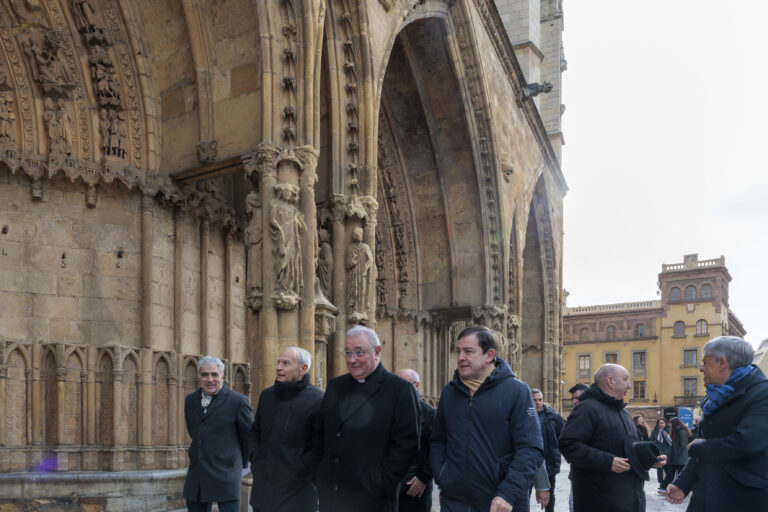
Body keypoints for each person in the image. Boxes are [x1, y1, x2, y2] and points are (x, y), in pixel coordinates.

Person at [430, 325, 543, 512]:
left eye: (468, 351)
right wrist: (443, 475)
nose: (460, 358)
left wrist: (508, 492)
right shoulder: (450, 392)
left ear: (489, 355)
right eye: (458, 351)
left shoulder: (516, 391)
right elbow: (438, 440)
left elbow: (530, 449)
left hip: (500, 502)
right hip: (455, 500)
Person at [313, 325, 420, 512]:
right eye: (347, 352)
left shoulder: (400, 390)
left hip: (372, 499)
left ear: (377, 351)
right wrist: (319, 472)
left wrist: (380, 482)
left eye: (359, 352)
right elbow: (320, 431)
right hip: (332, 495)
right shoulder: (335, 386)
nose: (352, 359)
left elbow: (407, 445)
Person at [667, 336, 768, 510]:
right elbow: (705, 449)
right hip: (705, 496)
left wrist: (700, 446)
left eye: (705, 363)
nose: (701, 368)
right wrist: (682, 483)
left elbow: (747, 442)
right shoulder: (715, 396)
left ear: (722, 363)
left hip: (741, 499)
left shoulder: (762, 393)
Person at [558, 364, 666, 512]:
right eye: (625, 380)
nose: (629, 385)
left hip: (628, 500)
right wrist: (607, 461)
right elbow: (568, 445)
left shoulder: (623, 412)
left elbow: (627, 449)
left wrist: (650, 459)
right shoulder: (586, 408)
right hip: (600, 502)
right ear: (610, 381)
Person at [248, 347, 323, 512]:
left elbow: (321, 445)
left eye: (286, 363)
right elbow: (255, 432)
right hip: (263, 492)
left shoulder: (317, 399)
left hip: (297, 494)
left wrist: (300, 467)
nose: (278, 367)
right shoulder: (267, 395)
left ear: (303, 369)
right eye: (278, 362)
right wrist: (256, 458)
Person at [183, 356, 253, 512]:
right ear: (199, 377)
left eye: (214, 374)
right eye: (205, 374)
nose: (210, 379)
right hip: (197, 474)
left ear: (222, 376)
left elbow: (249, 437)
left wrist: (241, 468)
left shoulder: (238, 401)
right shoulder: (190, 400)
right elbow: (194, 431)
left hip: (226, 474)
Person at [395, 369, 436, 512]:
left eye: (403, 385)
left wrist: (423, 478)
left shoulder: (429, 413)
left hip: (416, 488)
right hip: (391, 488)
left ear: (416, 385)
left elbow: (437, 449)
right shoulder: (389, 411)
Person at [531, 389, 564, 512]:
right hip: (530, 460)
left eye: (540, 399)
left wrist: (557, 451)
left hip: (549, 460)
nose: (538, 403)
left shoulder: (553, 416)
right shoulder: (523, 415)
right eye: (534, 400)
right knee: (525, 491)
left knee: (550, 491)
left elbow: (564, 436)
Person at [567, 383, 589, 512]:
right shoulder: (574, 416)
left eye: (578, 398)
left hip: (593, 473)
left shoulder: (595, 414)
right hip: (576, 472)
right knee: (573, 505)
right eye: (573, 398)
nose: (575, 401)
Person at [657, 417, 690, 494]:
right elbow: (673, 445)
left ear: (675, 423)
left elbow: (682, 445)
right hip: (674, 458)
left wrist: (677, 454)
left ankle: (685, 490)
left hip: (680, 458)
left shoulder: (682, 431)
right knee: (670, 474)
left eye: (671, 423)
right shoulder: (676, 431)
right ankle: (663, 487)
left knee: (681, 475)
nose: (669, 425)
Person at [650, 418, 672, 486]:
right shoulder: (655, 431)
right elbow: (650, 441)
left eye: (663, 423)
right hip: (658, 452)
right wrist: (654, 444)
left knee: (668, 468)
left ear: (665, 424)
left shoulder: (669, 431)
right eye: (660, 423)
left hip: (667, 452)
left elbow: (672, 441)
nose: (661, 424)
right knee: (659, 468)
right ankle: (661, 483)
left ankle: (668, 482)